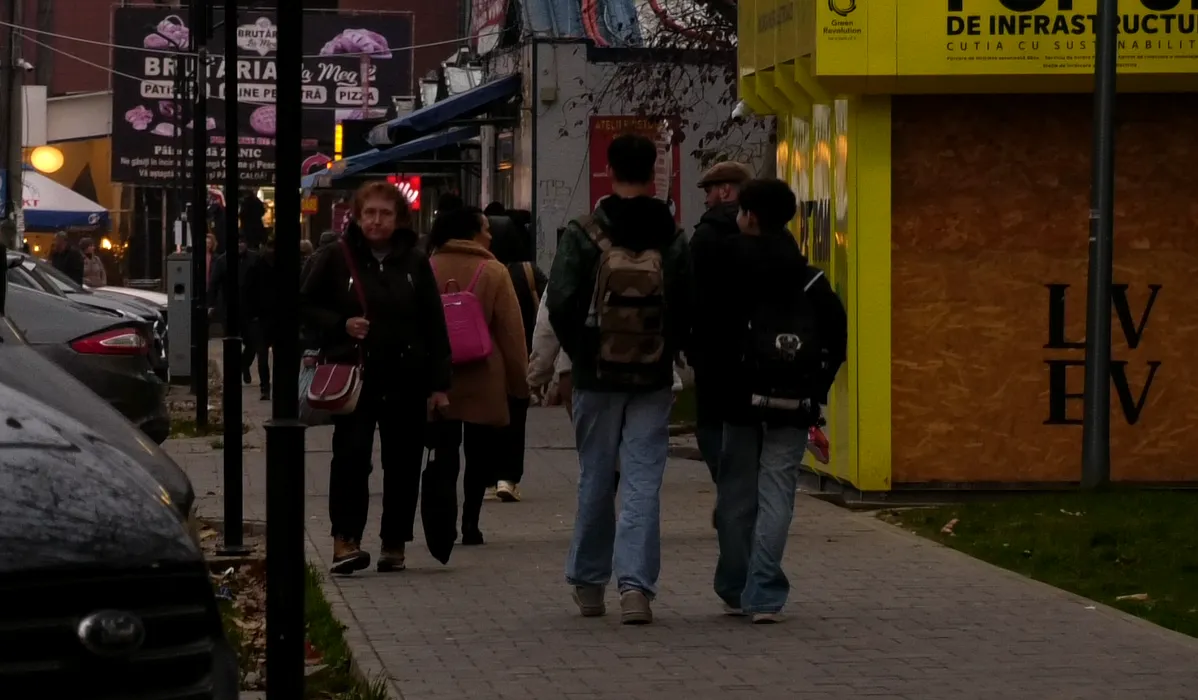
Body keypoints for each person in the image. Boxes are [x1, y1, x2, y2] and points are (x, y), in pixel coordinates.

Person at [548, 133, 693, 625]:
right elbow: (687, 304)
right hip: (651, 375)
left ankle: (589, 584)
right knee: (642, 482)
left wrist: (582, 352)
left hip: (597, 375)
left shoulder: (585, 232)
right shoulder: (671, 235)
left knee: (595, 477)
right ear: (653, 175)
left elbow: (560, 301)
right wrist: (665, 349)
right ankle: (636, 588)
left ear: (609, 172)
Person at [710, 178, 846, 624]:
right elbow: (837, 338)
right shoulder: (809, 278)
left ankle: (736, 585)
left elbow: (707, 332)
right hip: (793, 400)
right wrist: (815, 388)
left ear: (749, 216)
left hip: (738, 399)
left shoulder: (726, 268)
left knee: (736, 494)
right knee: (777, 492)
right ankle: (765, 592)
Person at [300, 180, 452, 574]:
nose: (376, 221)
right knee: (351, 458)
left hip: (406, 378)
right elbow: (304, 305)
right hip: (356, 377)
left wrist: (439, 385)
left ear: (399, 218)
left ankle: (394, 541)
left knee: (403, 463)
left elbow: (434, 324)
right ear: (357, 216)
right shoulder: (336, 256)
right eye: (370, 213)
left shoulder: (415, 261)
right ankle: (345, 540)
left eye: (385, 214)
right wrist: (341, 324)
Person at [427, 206, 529, 545]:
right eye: (485, 228)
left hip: (439, 376)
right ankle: (470, 523)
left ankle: (443, 520)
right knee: (479, 454)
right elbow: (511, 333)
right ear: (471, 232)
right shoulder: (494, 271)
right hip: (484, 374)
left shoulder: (428, 266)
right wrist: (520, 383)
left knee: (445, 452)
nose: (490, 234)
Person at [690, 161, 754, 524]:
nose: (706, 198)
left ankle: (730, 489)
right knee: (745, 424)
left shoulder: (706, 235)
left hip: (712, 348)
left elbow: (691, 292)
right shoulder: (764, 232)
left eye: (710, 191)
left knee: (710, 425)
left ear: (726, 191)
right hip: (755, 348)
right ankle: (744, 490)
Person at [476, 212, 545, 503]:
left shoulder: (481, 271)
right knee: (515, 418)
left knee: (485, 420)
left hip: (483, 357)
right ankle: (508, 477)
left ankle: (487, 478)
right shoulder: (528, 271)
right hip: (520, 352)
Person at [208, 239, 259, 384]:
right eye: (237, 242)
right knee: (231, 343)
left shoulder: (254, 258)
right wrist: (211, 304)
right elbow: (214, 283)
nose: (240, 245)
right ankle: (234, 372)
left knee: (252, 343)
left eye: (242, 242)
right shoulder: (222, 261)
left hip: (250, 308)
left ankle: (243, 365)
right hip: (229, 308)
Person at [244, 237, 277, 400]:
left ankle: (266, 388)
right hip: (263, 317)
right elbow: (248, 292)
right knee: (262, 355)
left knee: (263, 355)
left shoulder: (256, 265)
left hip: (266, 317)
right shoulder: (257, 266)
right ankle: (265, 387)